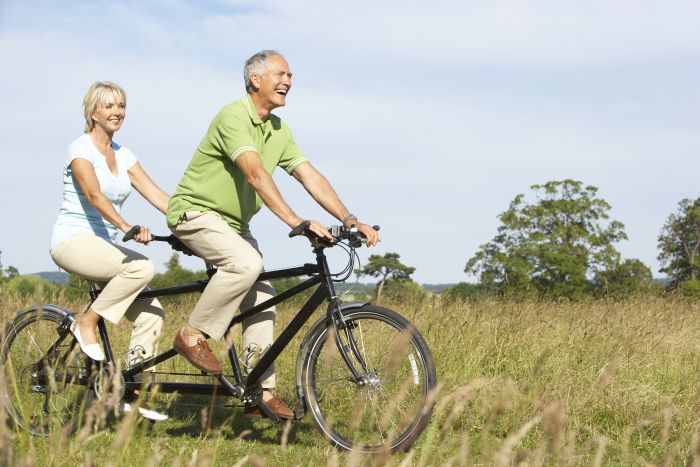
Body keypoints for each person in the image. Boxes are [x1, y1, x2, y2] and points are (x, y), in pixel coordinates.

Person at [166, 50, 380, 420]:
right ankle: (192, 334)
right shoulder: (233, 116)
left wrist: (348, 218)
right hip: (195, 212)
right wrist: (296, 220)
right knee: (246, 263)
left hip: (235, 225)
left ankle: (258, 393)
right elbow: (255, 174)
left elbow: (308, 175)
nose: (288, 82)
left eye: (291, 76)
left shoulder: (279, 130)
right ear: (256, 80)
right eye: (280, 74)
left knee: (263, 297)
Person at [50, 81, 170, 421]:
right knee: (141, 267)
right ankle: (86, 323)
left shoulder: (124, 153)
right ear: (93, 113)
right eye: (109, 106)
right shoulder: (80, 148)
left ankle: (125, 392)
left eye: (121, 105)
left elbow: (158, 195)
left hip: (104, 245)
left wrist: (192, 223)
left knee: (152, 314)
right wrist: (126, 226)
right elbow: (94, 196)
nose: (117, 111)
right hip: (72, 240)